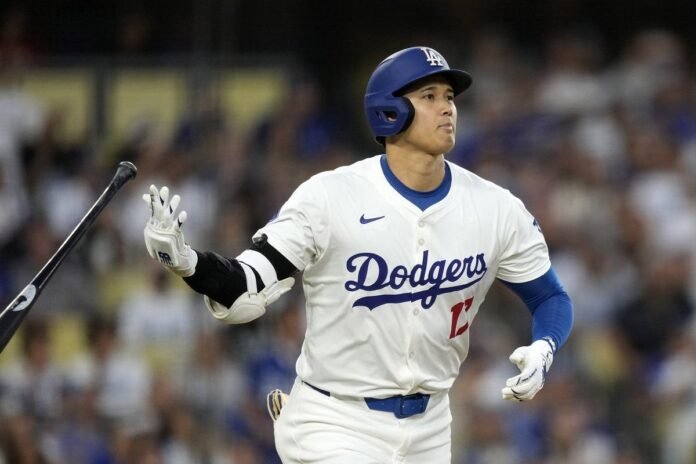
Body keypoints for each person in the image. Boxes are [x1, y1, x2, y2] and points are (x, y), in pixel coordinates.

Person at [141, 46, 574, 463]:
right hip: (337, 417)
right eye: (428, 96)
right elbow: (246, 283)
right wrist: (188, 262)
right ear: (389, 111)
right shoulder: (330, 196)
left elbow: (551, 298)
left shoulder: (495, 208)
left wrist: (545, 347)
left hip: (431, 426)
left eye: (448, 96)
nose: (447, 107)